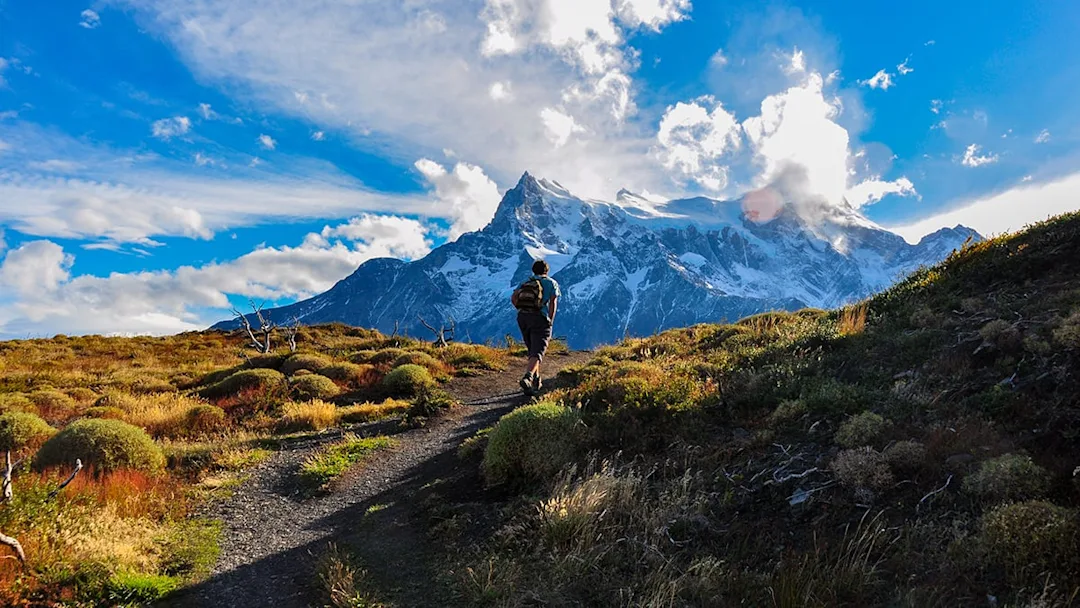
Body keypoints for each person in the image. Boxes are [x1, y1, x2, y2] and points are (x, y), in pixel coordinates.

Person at [511, 259, 561, 395]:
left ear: (534, 270)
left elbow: (514, 297)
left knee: (532, 348)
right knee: (538, 350)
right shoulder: (551, 283)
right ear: (547, 271)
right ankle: (528, 377)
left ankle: (536, 381)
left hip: (523, 317)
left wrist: (521, 309)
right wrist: (550, 319)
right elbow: (553, 303)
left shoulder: (525, 282)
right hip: (540, 319)